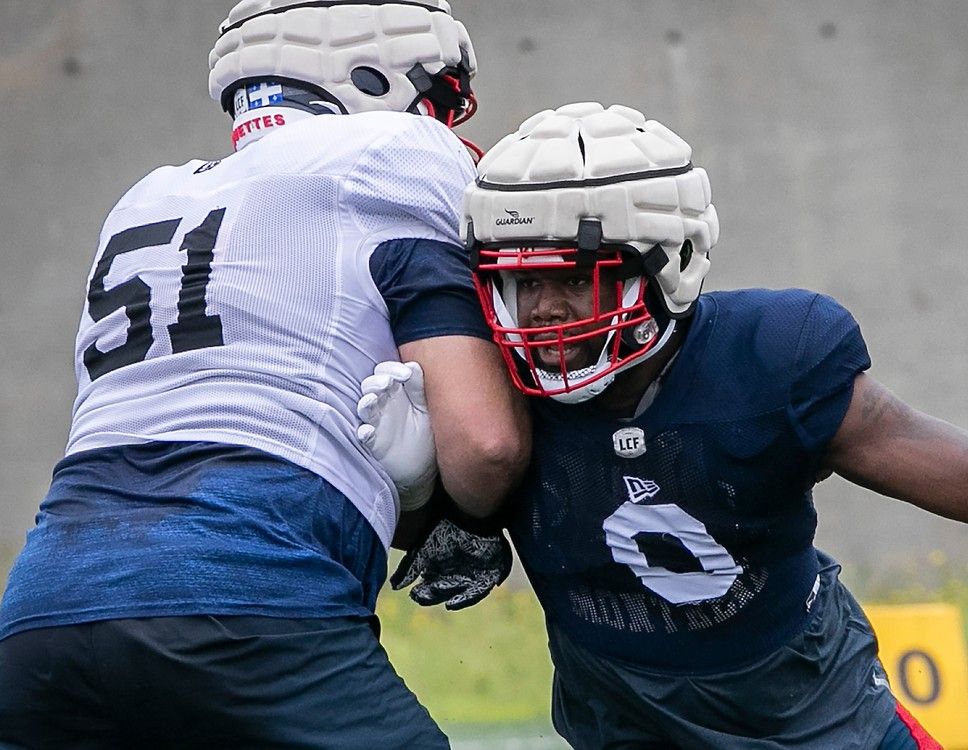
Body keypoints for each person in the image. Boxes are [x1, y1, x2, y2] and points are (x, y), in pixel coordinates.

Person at [0, 2, 530, 748]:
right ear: (368, 76)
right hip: (246, 594)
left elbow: (230, 434)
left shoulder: (145, 199)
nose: (443, 122)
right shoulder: (396, 149)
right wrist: (459, 506)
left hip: (44, 615)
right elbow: (485, 445)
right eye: (435, 99)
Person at [359, 102, 966, 748]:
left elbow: (938, 463)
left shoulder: (770, 361)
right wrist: (416, 487)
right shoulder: (499, 402)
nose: (541, 311)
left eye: (574, 279)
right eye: (521, 283)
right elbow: (449, 543)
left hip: (820, 720)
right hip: (626, 728)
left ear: (665, 264)